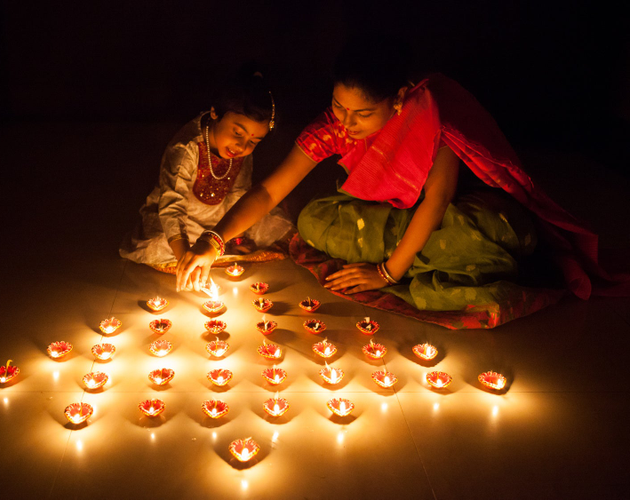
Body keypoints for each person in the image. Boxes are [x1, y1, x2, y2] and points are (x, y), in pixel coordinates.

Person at [176, 39, 629, 328]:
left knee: (489, 240)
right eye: (338, 107)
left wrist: (386, 272)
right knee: (313, 220)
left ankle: (417, 267)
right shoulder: (332, 127)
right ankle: (424, 268)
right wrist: (214, 240)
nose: (346, 124)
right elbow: (271, 191)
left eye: (362, 114)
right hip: (394, 218)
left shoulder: (434, 116)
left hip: (460, 218)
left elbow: (438, 201)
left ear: (397, 101)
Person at [120, 69, 293, 271]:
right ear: (214, 112)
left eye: (253, 141)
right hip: (184, 216)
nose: (241, 146)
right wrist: (185, 258)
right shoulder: (186, 149)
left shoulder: (242, 151)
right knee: (162, 242)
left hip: (221, 217)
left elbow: (239, 193)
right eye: (237, 132)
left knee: (269, 223)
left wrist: (236, 237)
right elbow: (172, 207)